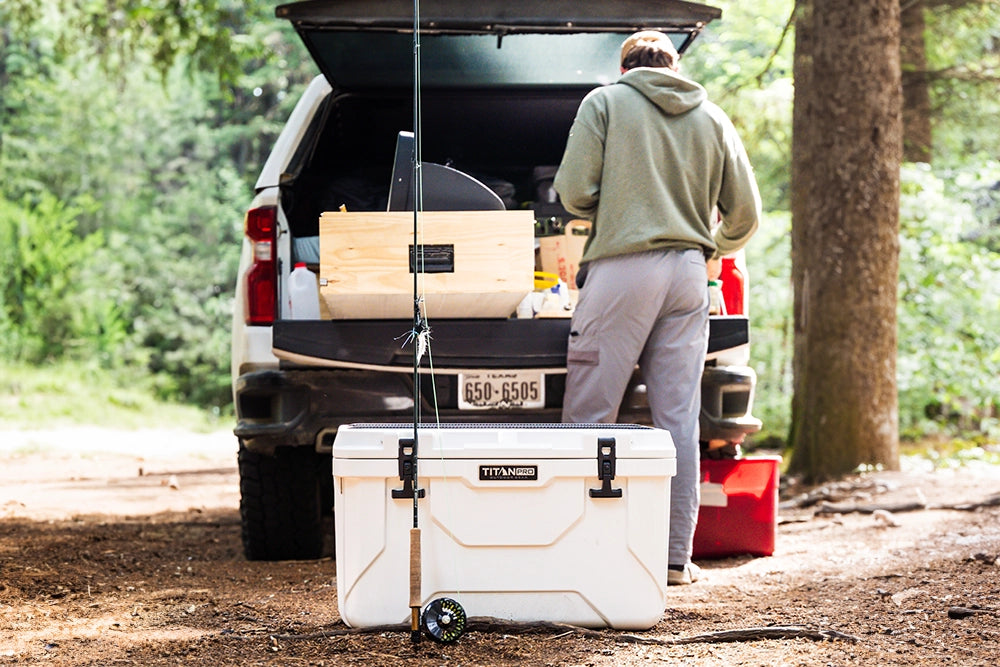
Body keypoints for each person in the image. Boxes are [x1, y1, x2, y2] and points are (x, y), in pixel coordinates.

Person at [554, 31, 761, 585]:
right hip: (689, 277)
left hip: (622, 269)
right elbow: (745, 213)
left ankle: (580, 549)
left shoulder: (604, 103)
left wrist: (619, 199)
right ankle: (673, 559)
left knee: (591, 415)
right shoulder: (712, 116)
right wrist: (709, 247)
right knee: (677, 420)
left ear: (626, 69)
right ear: (674, 67)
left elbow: (573, 191)